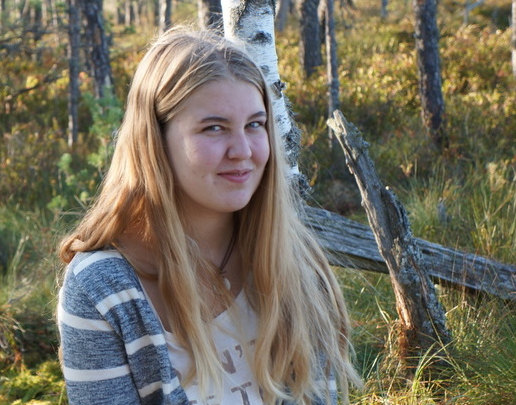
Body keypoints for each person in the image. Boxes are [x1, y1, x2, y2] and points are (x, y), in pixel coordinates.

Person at [56, 27, 360, 405]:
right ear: (155, 140)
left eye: (254, 124)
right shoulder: (101, 288)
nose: (242, 150)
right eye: (213, 128)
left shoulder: (295, 262)